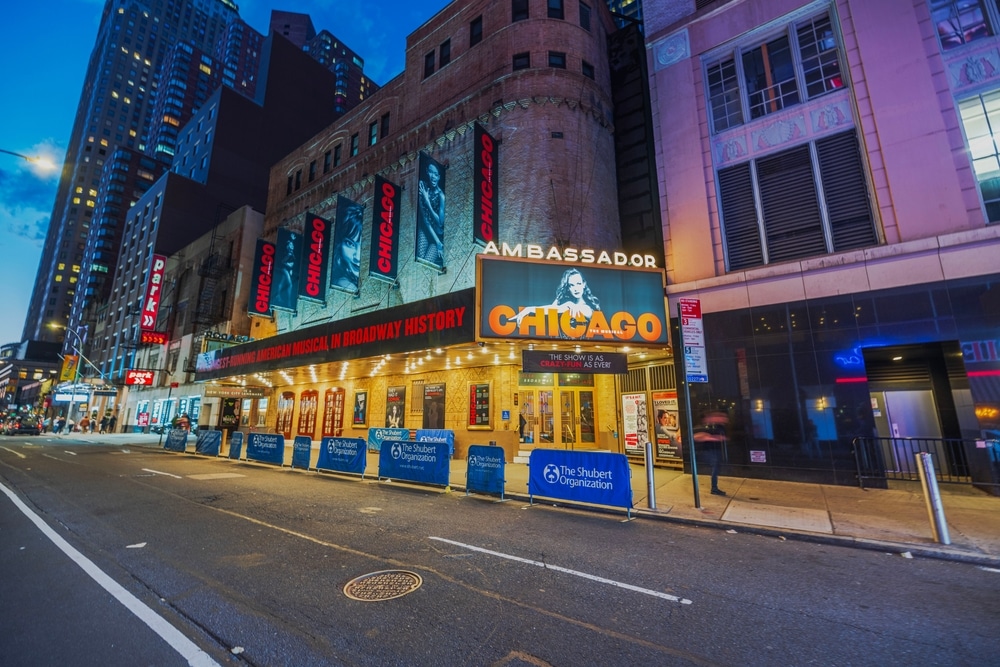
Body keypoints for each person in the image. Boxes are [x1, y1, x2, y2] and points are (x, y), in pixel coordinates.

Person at [514, 268, 601, 327]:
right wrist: (529, 309)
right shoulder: (567, 304)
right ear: (568, 288)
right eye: (571, 285)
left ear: (584, 284)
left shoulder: (587, 308)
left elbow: (556, 310)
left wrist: (530, 309)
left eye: (578, 284)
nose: (576, 288)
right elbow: (553, 309)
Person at [416, 160, 445, 267]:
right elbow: (425, 218)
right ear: (427, 172)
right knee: (420, 258)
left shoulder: (441, 196)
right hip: (425, 229)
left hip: (438, 235)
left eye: (436, 174)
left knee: (426, 263)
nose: (433, 177)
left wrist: (427, 201)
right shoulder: (422, 185)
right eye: (431, 172)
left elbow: (440, 222)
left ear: (439, 177)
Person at [693, 411, 728, 496]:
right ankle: (714, 488)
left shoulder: (717, 427)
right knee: (715, 469)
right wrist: (712, 438)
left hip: (714, 450)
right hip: (710, 451)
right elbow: (696, 436)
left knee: (716, 468)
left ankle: (714, 488)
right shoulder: (705, 427)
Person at [331, 203, 363, 292]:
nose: (357, 257)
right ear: (339, 244)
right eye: (350, 244)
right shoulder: (344, 284)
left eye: (363, 245)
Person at [272, 232, 299, 310]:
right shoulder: (289, 254)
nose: (292, 245)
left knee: (281, 283)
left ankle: (277, 296)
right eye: (291, 245)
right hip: (285, 269)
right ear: (288, 246)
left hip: (288, 269)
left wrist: (292, 239)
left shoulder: (291, 252)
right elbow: (283, 261)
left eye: (292, 244)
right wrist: (289, 266)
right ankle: (289, 302)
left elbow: (291, 243)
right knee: (290, 285)